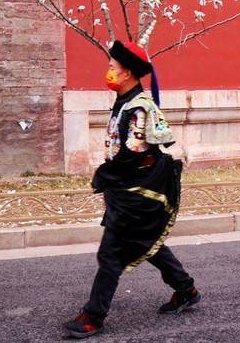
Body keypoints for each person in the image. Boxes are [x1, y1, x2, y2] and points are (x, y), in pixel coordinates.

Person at [63, 41, 200, 339]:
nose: (108, 72)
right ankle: (186, 289)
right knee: (147, 242)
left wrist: (105, 173)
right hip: (126, 187)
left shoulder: (139, 107)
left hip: (139, 191)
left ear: (126, 74)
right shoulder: (124, 101)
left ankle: (93, 316)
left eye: (112, 68)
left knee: (110, 253)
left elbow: (134, 151)